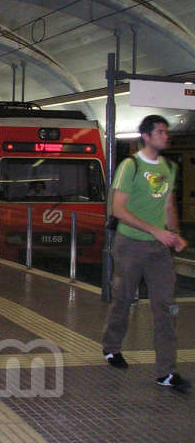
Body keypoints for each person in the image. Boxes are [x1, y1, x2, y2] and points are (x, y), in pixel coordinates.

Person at [101, 114, 190, 392]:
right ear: (146, 136)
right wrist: (155, 231)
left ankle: (167, 371)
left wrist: (173, 235)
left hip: (158, 249)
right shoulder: (131, 166)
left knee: (165, 306)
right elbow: (118, 210)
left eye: (166, 132)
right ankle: (111, 346)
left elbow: (167, 205)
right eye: (161, 132)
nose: (166, 136)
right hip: (130, 244)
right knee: (124, 299)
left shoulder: (168, 167)